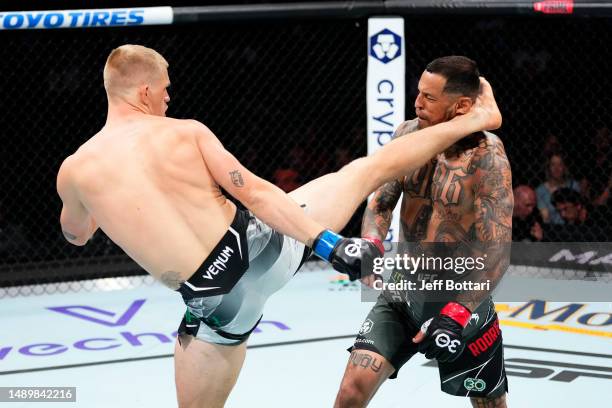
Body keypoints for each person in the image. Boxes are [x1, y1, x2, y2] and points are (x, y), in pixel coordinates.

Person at [56, 45, 502, 408]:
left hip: (216, 306)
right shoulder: (184, 131)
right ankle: (480, 116)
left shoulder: (75, 170)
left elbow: (76, 234)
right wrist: (326, 244)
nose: (168, 99)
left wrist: (93, 207)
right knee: (367, 170)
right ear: (146, 89)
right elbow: (255, 193)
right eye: (166, 90)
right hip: (260, 250)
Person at [335, 56, 513, 408]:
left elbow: (497, 252)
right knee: (351, 391)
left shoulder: (486, 157)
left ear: (461, 105)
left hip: (460, 292)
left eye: (430, 98)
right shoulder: (407, 134)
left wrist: (458, 312)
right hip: (405, 287)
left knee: (488, 403)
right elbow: (381, 201)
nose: (418, 103)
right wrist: (371, 242)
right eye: (419, 93)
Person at [536, 153, 580, 224]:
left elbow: (578, 213)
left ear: (564, 167)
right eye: (553, 164)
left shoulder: (573, 186)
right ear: (548, 167)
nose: (556, 168)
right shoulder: (540, 191)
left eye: (560, 164)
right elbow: (545, 218)